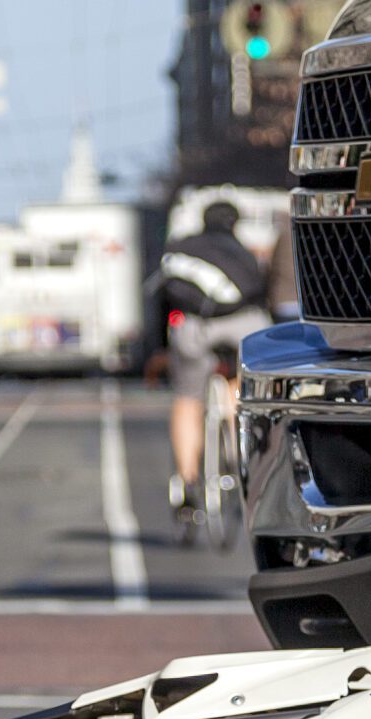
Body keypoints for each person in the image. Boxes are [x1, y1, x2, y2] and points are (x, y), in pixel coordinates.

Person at [150, 201, 272, 515]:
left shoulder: (181, 249)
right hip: (241, 325)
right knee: (238, 384)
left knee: (188, 398)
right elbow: (261, 294)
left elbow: (163, 298)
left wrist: (160, 349)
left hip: (194, 327)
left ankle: (188, 483)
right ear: (235, 223)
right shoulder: (244, 252)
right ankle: (238, 456)